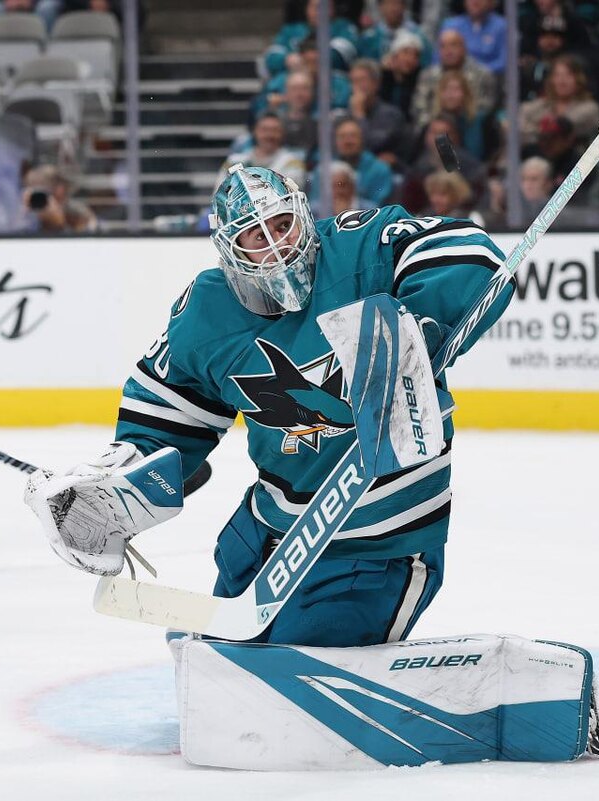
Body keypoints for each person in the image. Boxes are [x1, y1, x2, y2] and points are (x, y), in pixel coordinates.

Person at [26, 161, 514, 649]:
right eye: (255, 236)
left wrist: (419, 326)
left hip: (379, 540)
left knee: (295, 664)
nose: (278, 244)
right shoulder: (206, 311)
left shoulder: (358, 245)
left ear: (303, 214)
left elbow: (469, 253)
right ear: (229, 250)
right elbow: (169, 415)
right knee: (223, 666)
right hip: (267, 535)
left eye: (283, 225)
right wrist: (122, 483)